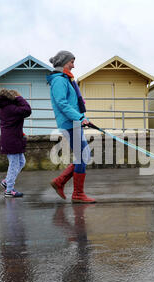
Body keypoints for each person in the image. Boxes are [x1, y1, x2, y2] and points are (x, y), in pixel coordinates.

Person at [47, 50, 96, 203]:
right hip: (69, 123)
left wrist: (82, 117)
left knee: (84, 154)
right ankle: (77, 194)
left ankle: (60, 181)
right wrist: (80, 117)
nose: (74, 66)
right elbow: (62, 103)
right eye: (71, 62)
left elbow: (71, 103)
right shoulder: (59, 80)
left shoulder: (66, 79)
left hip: (73, 121)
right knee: (83, 155)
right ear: (63, 62)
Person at [0, 89, 31, 198]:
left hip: (11, 140)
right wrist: (18, 98)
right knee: (14, 165)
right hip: (12, 141)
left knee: (21, 162)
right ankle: (9, 190)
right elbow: (27, 110)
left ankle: (7, 181)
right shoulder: (11, 109)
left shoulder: (2, 109)